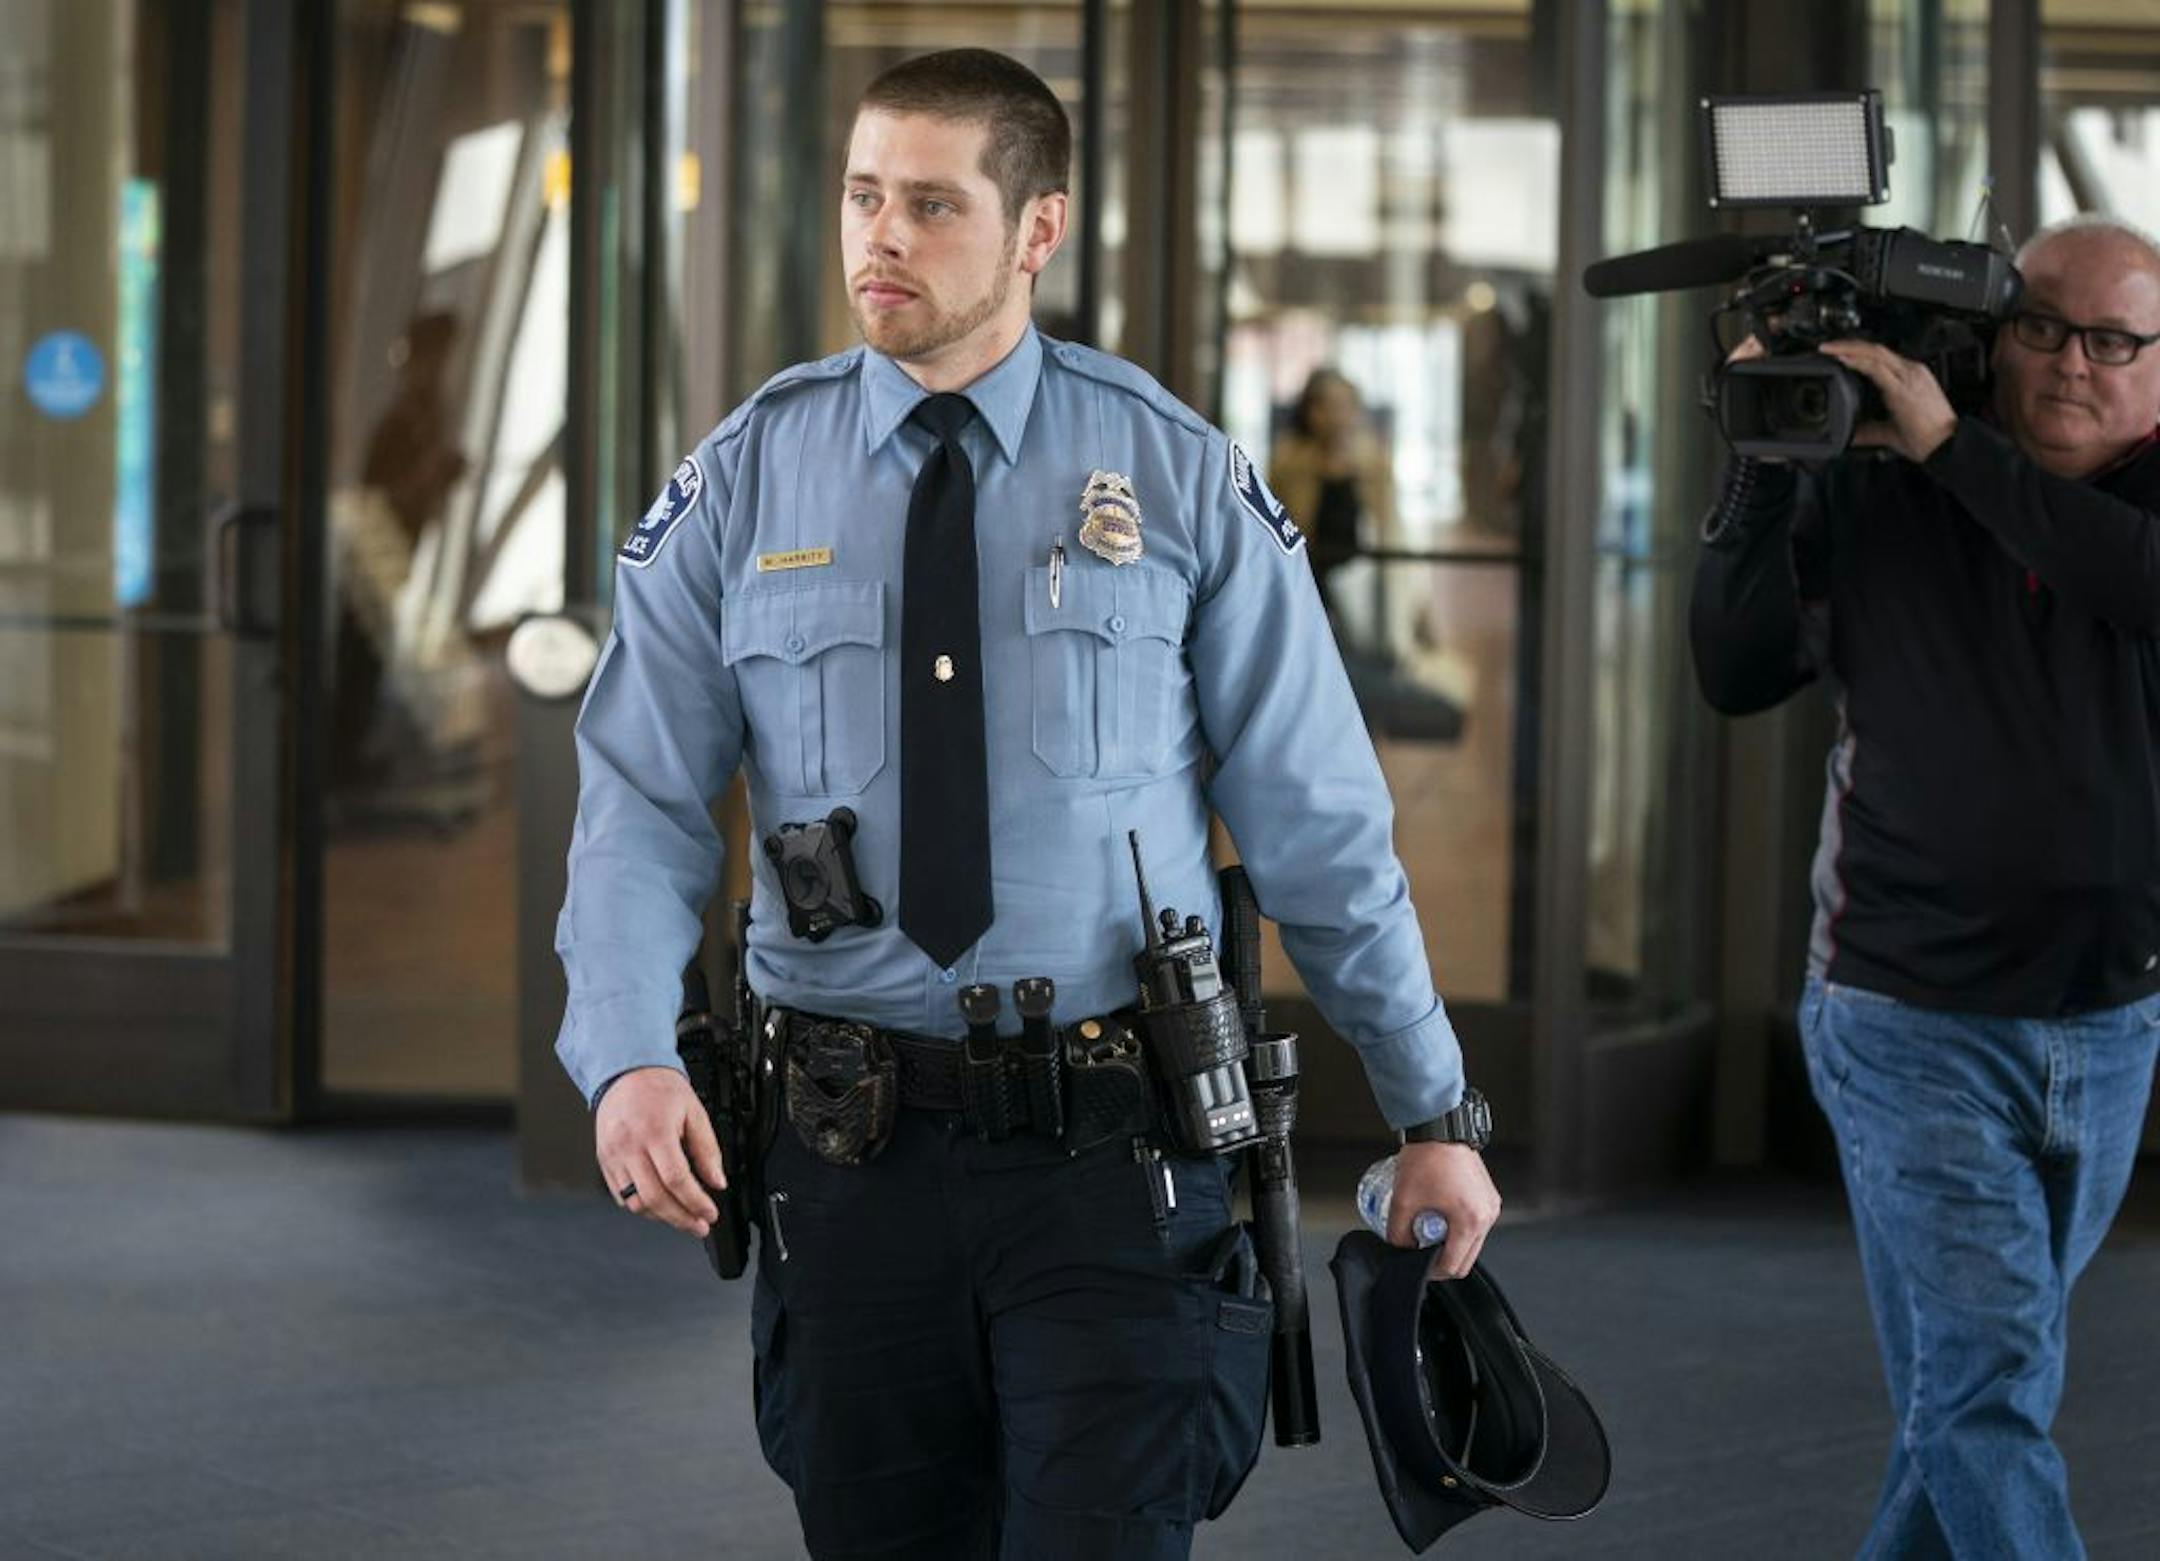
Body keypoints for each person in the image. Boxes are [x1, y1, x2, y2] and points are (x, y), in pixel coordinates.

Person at [554, 48, 1498, 1560]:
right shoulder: (744, 478)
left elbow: (1318, 822)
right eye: (863, 195)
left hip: (1112, 1164)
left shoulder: (1173, 475)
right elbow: (639, 803)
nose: (882, 236)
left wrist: (1429, 1104)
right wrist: (623, 1054)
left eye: (932, 204)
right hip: (843, 1163)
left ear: (1038, 228)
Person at [1689, 214, 2160, 1559]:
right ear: (1996, 333)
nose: (2071, 363)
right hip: (1908, 1015)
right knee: (1990, 1382)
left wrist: (1956, 448)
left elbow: (2129, 577)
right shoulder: (1883, 482)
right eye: (2041, 327)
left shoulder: (2010, 473)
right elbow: (1736, 670)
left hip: (2111, 1024)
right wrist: (1758, 468)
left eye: (2113, 341)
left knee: (1964, 1395)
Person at [1267, 367, 1399, 589]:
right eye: (1325, 407)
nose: (1335, 417)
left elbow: (1388, 525)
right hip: (1304, 575)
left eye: (1343, 406)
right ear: (1310, 412)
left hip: (1361, 581)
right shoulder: (1288, 461)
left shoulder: (1373, 461)